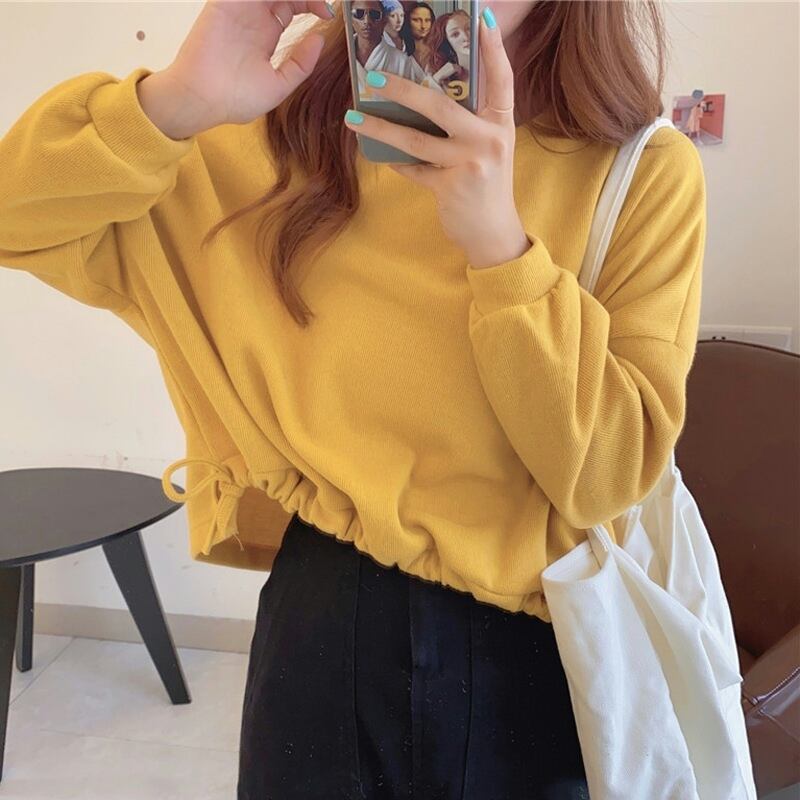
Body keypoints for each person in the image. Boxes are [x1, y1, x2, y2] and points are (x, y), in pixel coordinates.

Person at [0, 1, 706, 798]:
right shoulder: (259, 123)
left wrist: (501, 249)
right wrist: (173, 103)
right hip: (321, 623)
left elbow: (610, 477)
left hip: (533, 655)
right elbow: (15, 217)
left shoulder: (640, 169)